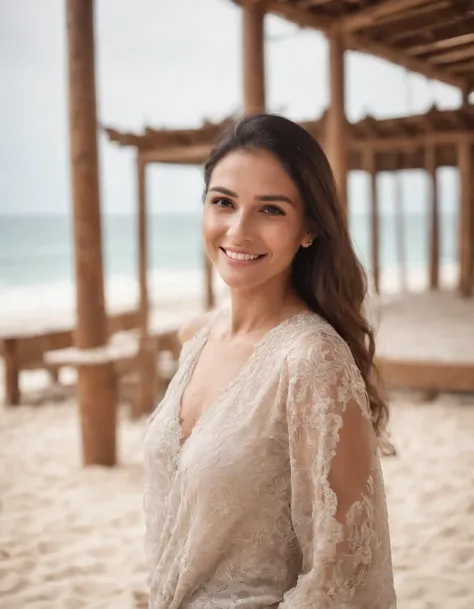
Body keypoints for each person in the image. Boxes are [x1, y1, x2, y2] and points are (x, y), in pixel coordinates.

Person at [143, 113, 397, 609]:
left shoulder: (310, 361)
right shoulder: (197, 338)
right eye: (223, 202)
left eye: (271, 210)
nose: (238, 230)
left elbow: (341, 572)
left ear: (308, 229)